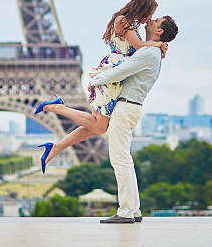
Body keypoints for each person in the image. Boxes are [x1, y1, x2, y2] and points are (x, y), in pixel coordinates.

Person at [37, 16, 179, 224]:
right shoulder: (151, 50)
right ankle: (133, 210)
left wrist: (95, 81)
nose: (151, 20)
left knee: (120, 161)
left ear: (159, 31)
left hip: (126, 106)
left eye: (156, 20)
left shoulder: (149, 52)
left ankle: (126, 211)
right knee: (121, 157)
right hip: (129, 106)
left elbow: (120, 72)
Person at [34, 0, 166, 172]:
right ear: (142, 7)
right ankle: (57, 108)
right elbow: (140, 47)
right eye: (150, 13)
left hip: (116, 76)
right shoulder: (123, 21)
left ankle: (56, 146)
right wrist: (158, 45)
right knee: (98, 125)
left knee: (98, 126)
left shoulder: (130, 23)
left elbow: (139, 49)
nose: (149, 18)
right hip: (112, 75)